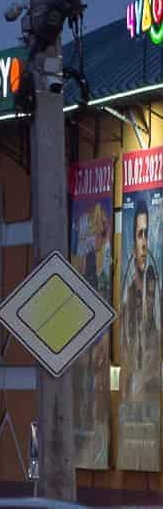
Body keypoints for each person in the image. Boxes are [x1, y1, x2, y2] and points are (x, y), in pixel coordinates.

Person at [120, 197, 162, 470]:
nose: (144, 242)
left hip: (151, 389)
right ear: (133, 244)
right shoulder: (126, 292)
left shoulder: (156, 286)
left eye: (147, 234)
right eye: (139, 234)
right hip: (130, 394)